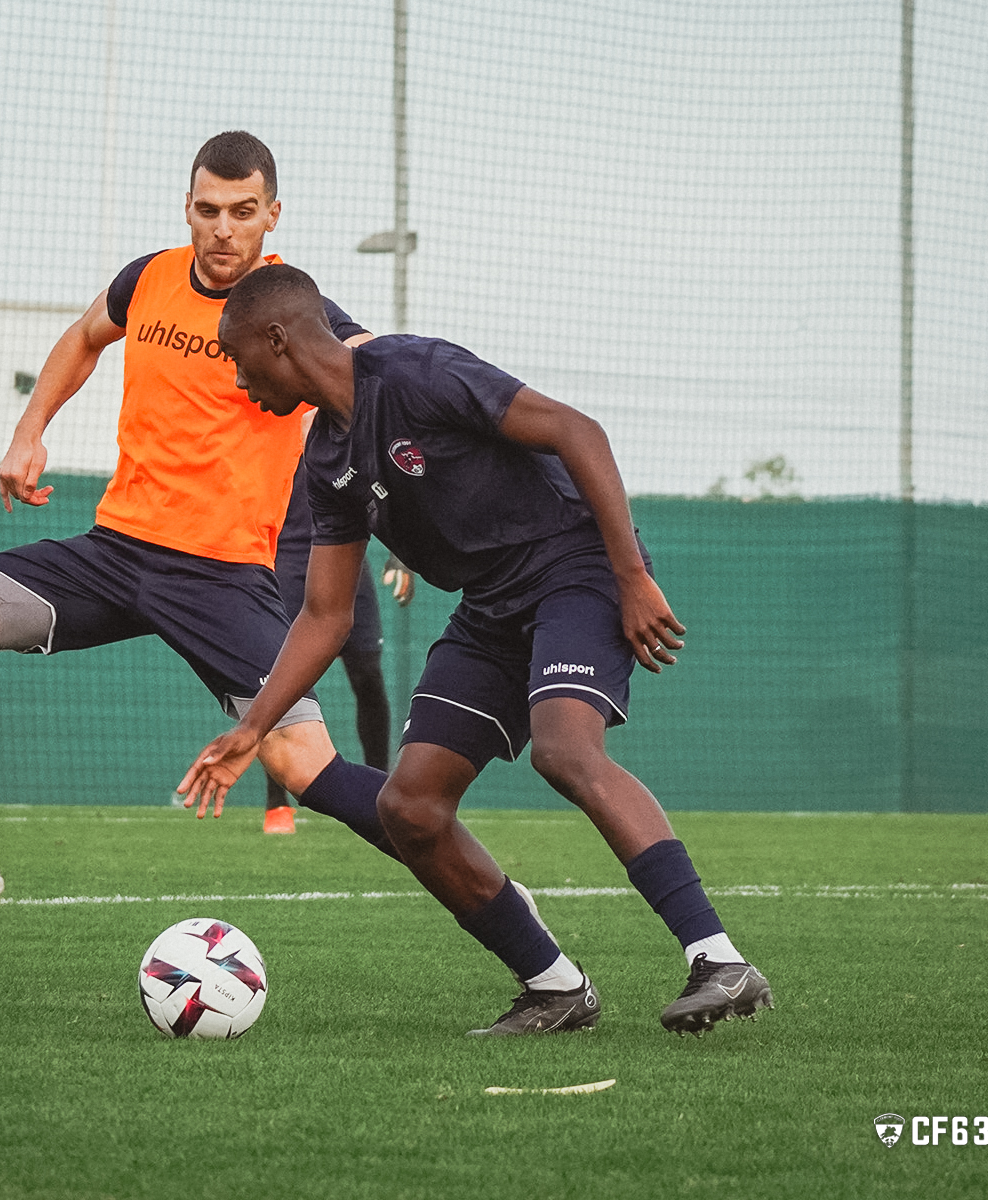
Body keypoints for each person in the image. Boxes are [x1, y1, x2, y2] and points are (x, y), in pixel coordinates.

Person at [179, 265, 773, 1037]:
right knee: (409, 806)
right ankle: (555, 989)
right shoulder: (326, 462)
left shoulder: (414, 371)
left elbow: (576, 430)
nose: (235, 379)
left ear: (278, 339)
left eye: (235, 357)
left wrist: (631, 575)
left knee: (564, 750)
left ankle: (718, 959)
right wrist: (254, 728)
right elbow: (325, 617)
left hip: (576, 566)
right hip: (491, 607)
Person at [0, 132, 400, 934]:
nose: (222, 229)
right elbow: (84, 337)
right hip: (115, 555)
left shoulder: (297, 313)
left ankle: (477, 877)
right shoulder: (146, 278)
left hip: (222, 577)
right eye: (208, 210)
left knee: (302, 764)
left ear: (272, 216)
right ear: (187, 206)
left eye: (242, 213)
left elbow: (376, 371)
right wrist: (30, 428)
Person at [260, 455, 412, 834]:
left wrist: (400, 554)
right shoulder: (270, 417)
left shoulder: (345, 426)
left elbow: (382, 484)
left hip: (347, 558)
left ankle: (382, 794)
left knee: (367, 676)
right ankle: (277, 805)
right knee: (281, 681)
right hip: (287, 563)